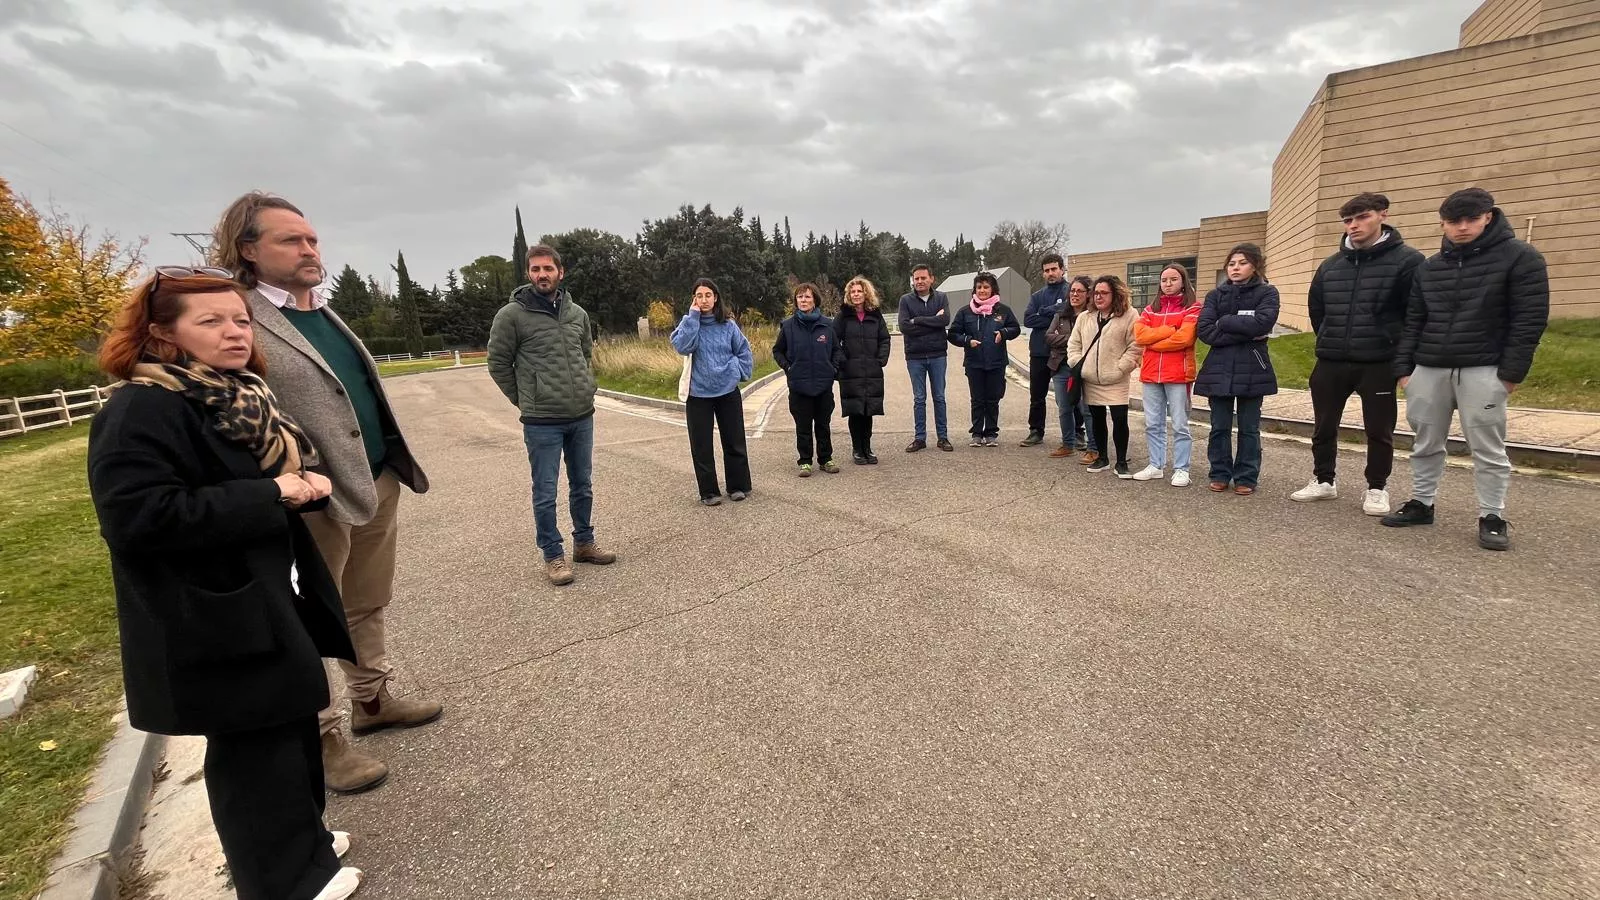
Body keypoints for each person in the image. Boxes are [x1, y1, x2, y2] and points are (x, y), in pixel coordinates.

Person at [87, 267, 364, 900]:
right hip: (214, 612)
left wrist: (304, 487)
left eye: (239, 319)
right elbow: (136, 517)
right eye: (210, 321)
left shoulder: (231, 394)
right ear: (161, 333)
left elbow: (253, 479)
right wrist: (270, 492)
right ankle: (283, 881)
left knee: (292, 722)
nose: (234, 332)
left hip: (266, 595)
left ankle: (307, 844)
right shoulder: (142, 408)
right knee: (253, 747)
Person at [213, 192, 440, 795]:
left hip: (373, 477)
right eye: (292, 240)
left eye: (312, 239)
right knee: (308, 615)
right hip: (308, 497)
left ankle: (371, 701)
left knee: (366, 599)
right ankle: (322, 738)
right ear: (249, 250)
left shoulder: (320, 311)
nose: (310, 249)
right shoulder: (239, 318)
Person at [1384, 187, 1549, 550]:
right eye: (1452, 221)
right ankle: (1421, 504)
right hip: (1429, 368)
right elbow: (1414, 319)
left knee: (1487, 446)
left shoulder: (1521, 258)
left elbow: (1529, 321)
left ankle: (1492, 515)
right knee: (1425, 442)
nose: (1461, 228)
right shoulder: (1431, 267)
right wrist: (1404, 370)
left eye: (1470, 219)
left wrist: (1510, 375)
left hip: (1484, 368)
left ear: (1488, 217)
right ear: (1442, 224)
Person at [486, 243, 618, 583]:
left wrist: (587, 385)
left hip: (581, 415)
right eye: (535, 270)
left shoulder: (577, 314)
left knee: (582, 485)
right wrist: (526, 399)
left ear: (560, 272)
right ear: (528, 274)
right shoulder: (511, 316)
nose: (542, 275)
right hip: (541, 421)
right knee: (545, 491)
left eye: (548, 269)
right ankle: (554, 556)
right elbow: (498, 363)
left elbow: (585, 354)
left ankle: (585, 544)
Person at [1291, 192, 1424, 515]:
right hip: (1332, 359)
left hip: (1378, 361)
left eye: (1361, 217)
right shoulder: (1331, 266)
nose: (1353, 226)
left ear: (1382, 215)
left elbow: (1415, 314)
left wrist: (1401, 356)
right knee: (1323, 426)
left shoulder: (1408, 261)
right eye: (1348, 220)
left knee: (1379, 430)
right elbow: (1317, 309)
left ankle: (1377, 487)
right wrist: (1329, 337)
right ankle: (1324, 480)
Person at [1195, 243, 1280, 495]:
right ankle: (1219, 472)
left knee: (1249, 428)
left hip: (1253, 367)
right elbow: (1206, 331)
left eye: (1241, 263)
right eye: (1231, 264)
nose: (1235, 268)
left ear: (1254, 265)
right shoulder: (1215, 296)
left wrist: (1226, 321)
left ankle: (1246, 476)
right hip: (1219, 368)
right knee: (1219, 426)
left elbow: (1263, 322)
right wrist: (1245, 331)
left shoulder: (1267, 293)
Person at [671, 277, 755, 502]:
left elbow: (744, 350)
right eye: (699, 295)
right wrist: (693, 317)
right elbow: (681, 346)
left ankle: (738, 486)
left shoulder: (728, 324)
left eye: (708, 295)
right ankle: (709, 492)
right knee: (701, 446)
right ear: (694, 299)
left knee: (734, 440)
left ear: (716, 298)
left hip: (727, 391)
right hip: (698, 394)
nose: (704, 299)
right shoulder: (690, 323)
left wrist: (738, 371)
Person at [1131, 264, 1201, 486]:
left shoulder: (1192, 308)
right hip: (1151, 373)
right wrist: (1169, 330)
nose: (1168, 284)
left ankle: (1182, 468)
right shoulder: (1151, 309)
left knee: (1180, 423)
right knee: (1153, 423)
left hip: (1178, 374)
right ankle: (1156, 465)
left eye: (1173, 279)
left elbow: (1185, 339)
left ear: (1183, 281)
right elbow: (1140, 335)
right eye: (1164, 280)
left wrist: (1155, 341)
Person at [1067, 275, 1141, 476]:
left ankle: (1121, 461)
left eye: (1104, 293)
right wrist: (1079, 365)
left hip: (1116, 378)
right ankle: (1102, 458)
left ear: (1115, 293)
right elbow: (1073, 345)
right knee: (1097, 419)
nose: (1099, 297)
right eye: (1096, 293)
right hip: (1091, 378)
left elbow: (1136, 345)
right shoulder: (1085, 317)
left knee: (1119, 419)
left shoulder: (1130, 315)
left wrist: (1121, 368)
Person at [773, 282, 843, 477]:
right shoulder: (788, 326)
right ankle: (805, 461)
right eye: (800, 297)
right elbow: (777, 351)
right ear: (796, 301)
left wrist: (833, 369)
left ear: (815, 300)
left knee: (823, 424)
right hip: (799, 385)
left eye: (807, 297)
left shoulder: (827, 325)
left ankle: (826, 459)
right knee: (803, 426)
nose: (803, 300)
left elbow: (837, 350)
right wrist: (788, 367)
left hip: (823, 384)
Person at [947, 271, 1022, 446]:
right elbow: (953, 334)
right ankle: (976, 433)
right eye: (979, 287)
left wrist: (1003, 333)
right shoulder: (966, 312)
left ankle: (991, 433)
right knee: (977, 399)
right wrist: (967, 341)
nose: (982, 290)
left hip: (996, 362)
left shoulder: (1003, 310)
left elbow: (1015, 329)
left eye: (986, 287)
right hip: (974, 363)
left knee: (993, 399)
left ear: (993, 289)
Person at [835, 275, 892, 463]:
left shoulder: (875, 315)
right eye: (853, 291)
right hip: (851, 371)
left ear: (866, 293)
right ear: (848, 295)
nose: (856, 294)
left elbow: (884, 338)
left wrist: (881, 359)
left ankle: (867, 448)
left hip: (871, 370)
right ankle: (857, 449)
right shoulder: (843, 315)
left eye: (859, 291)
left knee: (868, 411)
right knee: (855, 411)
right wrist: (842, 360)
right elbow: (833, 341)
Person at [897, 263, 954, 452]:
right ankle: (920, 438)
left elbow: (945, 320)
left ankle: (943, 437)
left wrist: (918, 320)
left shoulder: (941, 298)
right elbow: (905, 327)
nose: (919, 281)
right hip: (915, 357)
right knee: (919, 398)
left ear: (932, 279)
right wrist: (932, 321)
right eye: (916, 278)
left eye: (923, 278)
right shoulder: (905, 301)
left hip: (938, 355)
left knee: (939, 397)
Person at [1021, 253, 1069, 446]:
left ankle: (1076, 432)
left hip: (1063, 352)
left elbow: (1070, 311)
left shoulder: (1070, 291)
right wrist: (1056, 314)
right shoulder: (1037, 296)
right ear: (1043, 273)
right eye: (1047, 270)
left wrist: (1045, 311)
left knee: (1068, 396)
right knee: (1037, 395)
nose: (1050, 273)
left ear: (1062, 270)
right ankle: (1036, 431)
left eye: (1054, 269)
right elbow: (1028, 320)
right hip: (1040, 352)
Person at [1043, 276, 1087, 457]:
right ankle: (1067, 444)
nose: (1075, 294)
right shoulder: (1060, 315)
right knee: (1064, 407)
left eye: (1079, 291)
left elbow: (1092, 340)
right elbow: (1048, 337)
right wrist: (1073, 340)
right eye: (1072, 291)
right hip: (1060, 365)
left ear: (1088, 294)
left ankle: (1093, 448)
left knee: (1086, 408)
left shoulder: (1091, 316)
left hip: (1084, 366)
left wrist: (1063, 339)